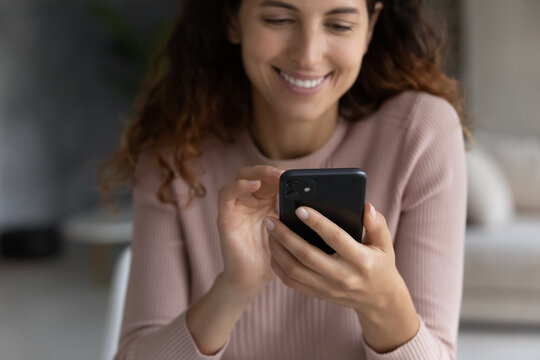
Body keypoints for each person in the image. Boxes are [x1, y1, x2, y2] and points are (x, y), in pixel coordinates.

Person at [99, 0, 467, 359]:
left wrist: (381, 301)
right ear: (233, 19)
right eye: (278, 19)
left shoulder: (421, 133)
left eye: (339, 24)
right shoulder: (175, 153)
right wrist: (234, 289)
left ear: (370, 27)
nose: (308, 55)